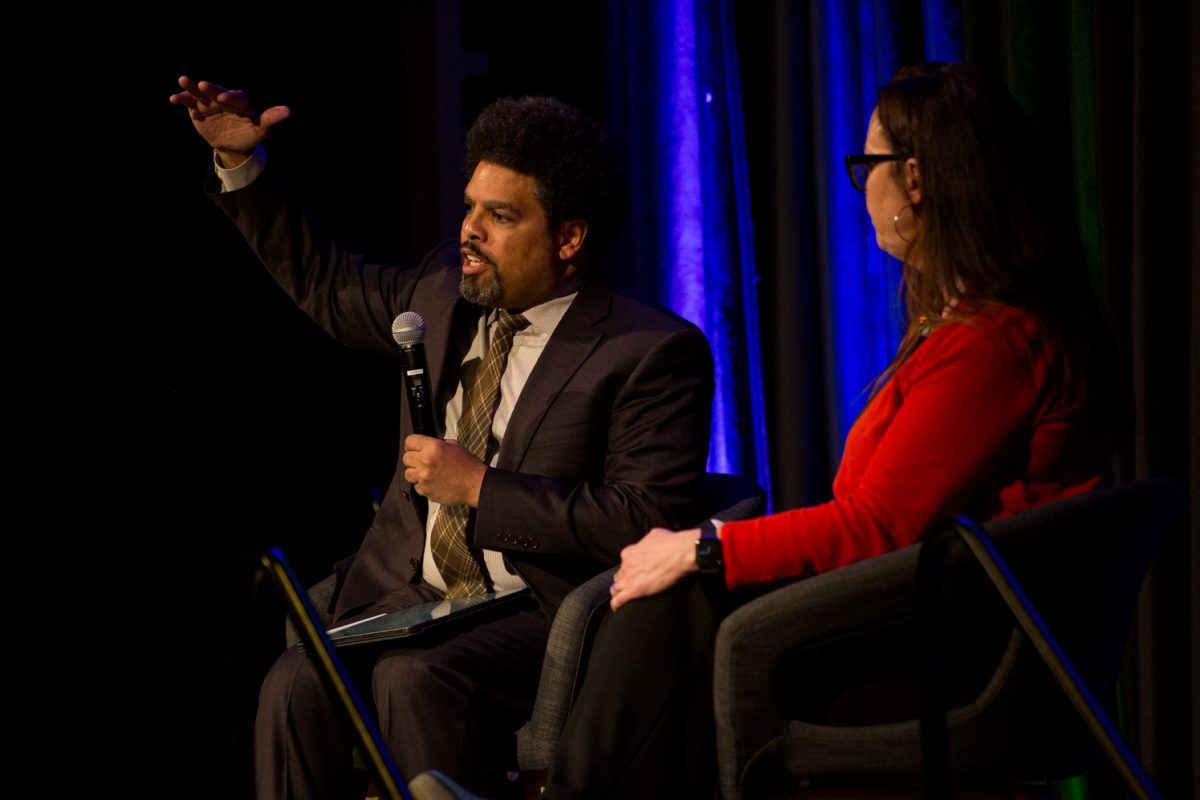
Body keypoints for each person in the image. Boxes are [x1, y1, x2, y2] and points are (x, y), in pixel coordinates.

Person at [540, 62, 1123, 799]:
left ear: (914, 179)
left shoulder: (992, 345)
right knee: (681, 620)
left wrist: (706, 546)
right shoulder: (979, 331)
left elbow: (879, 526)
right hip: (937, 630)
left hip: (967, 663)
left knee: (679, 610)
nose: (863, 188)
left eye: (867, 163)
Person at [168, 77, 715, 798]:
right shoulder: (440, 290)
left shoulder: (648, 350)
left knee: (416, 677)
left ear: (569, 237)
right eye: (468, 208)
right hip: (412, 596)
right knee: (296, 681)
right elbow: (328, 284)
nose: (469, 232)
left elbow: (645, 518)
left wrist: (482, 488)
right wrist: (243, 168)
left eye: (499, 216)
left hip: (538, 612)